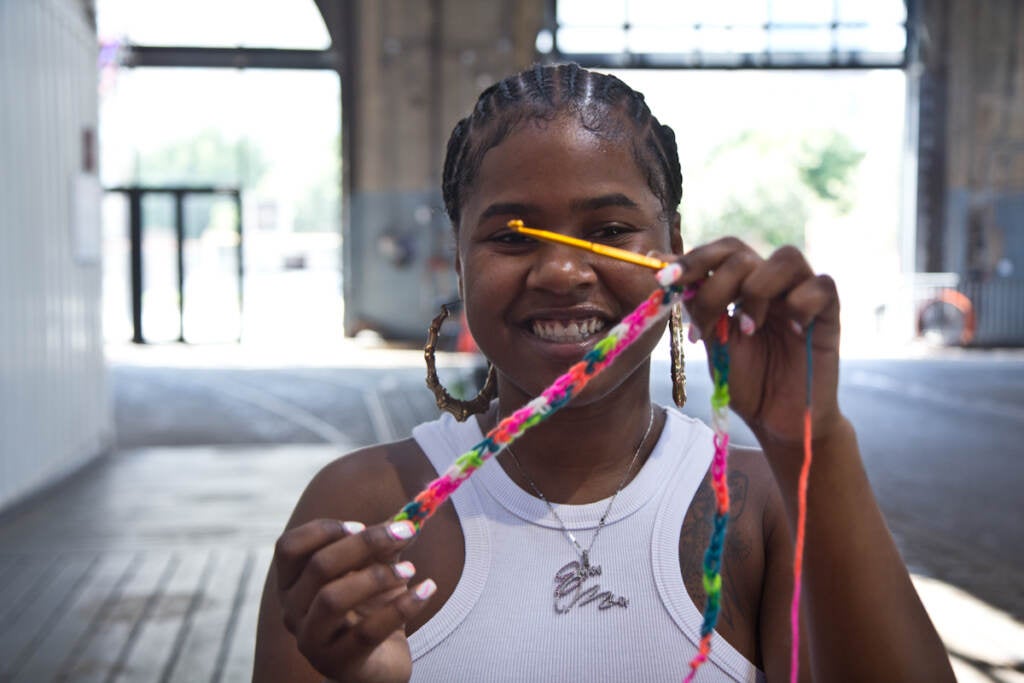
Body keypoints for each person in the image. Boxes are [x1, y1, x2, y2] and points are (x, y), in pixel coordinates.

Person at [254, 63, 954, 682]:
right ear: (460, 261)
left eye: (612, 231)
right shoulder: (363, 510)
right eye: (511, 236)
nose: (561, 270)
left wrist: (814, 442)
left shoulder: (761, 504)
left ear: (675, 251)